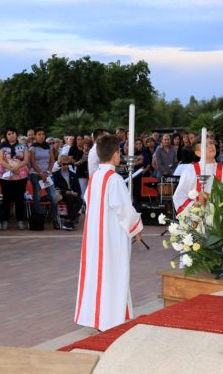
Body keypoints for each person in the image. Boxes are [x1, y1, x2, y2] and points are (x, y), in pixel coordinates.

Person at [74, 134, 143, 331]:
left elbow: (88, 200)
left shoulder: (95, 177)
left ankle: (98, 317)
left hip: (94, 236)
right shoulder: (114, 180)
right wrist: (137, 227)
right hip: (111, 237)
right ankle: (109, 320)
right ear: (115, 155)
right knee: (112, 273)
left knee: (97, 275)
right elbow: (125, 211)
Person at [173, 138, 223, 215]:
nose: (211, 146)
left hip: (219, 220)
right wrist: (195, 205)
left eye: (211, 143)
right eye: (206, 145)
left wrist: (210, 197)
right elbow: (179, 197)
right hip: (196, 220)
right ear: (198, 153)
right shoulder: (189, 171)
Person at [0, 127, 29, 230]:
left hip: (21, 176)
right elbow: (0, 160)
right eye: (9, 134)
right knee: (6, 199)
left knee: (20, 199)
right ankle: (4, 220)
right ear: (6, 136)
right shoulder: (2, 146)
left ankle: (20, 220)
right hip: (6, 176)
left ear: (16, 134)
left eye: (13, 133)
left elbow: (25, 160)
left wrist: (17, 167)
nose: (11, 135)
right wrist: (11, 168)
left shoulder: (23, 146)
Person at [29, 127, 59, 228]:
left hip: (47, 174)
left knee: (54, 197)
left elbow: (52, 161)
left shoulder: (48, 147)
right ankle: (39, 219)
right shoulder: (32, 148)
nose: (41, 136)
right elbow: (32, 163)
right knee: (37, 196)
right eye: (39, 134)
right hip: (36, 174)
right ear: (35, 136)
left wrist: (47, 172)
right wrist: (41, 173)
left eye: (43, 134)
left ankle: (53, 216)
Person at [52, 154, 81, 230]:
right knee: (69, 197)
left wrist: (76, 193)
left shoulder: (73, 175)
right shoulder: (55, 175)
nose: (66, 166)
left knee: (80, 200)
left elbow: (78, 189)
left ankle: (68, 220)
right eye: (64, 164)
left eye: (68, 164)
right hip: (62, 195)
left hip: (72, 195)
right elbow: (55, 188)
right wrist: (65, 191)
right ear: (60, 164)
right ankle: (69, 222)